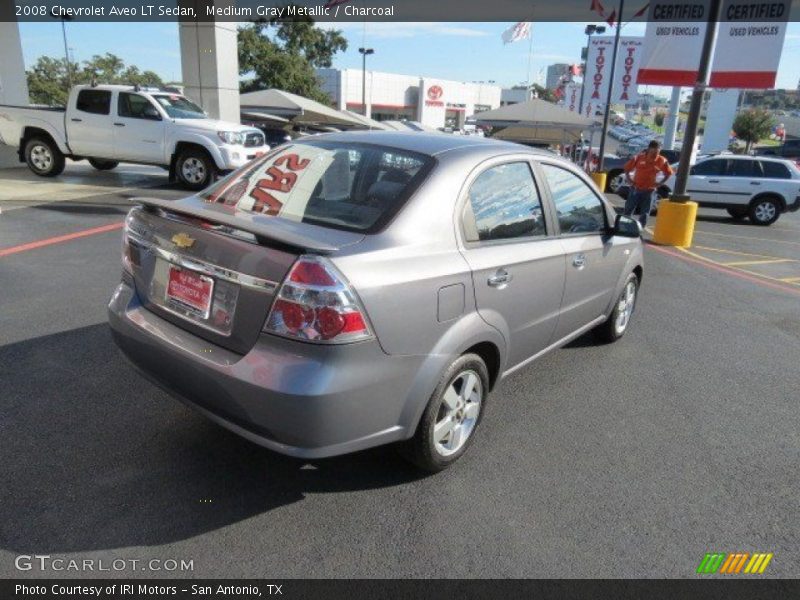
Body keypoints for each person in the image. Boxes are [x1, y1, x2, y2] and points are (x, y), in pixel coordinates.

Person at [623, 140, 674, 228]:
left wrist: (660, 183)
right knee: (628, 209)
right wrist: (629, 180)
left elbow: (669, 173)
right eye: (655, 151)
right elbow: (627, 168)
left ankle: (640, 228)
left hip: (649, 191)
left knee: (645, 212)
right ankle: (624, 226)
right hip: (635, 188)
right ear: (649, 149)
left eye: (658, 151)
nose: (656, 153)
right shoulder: (638, 158)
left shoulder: (662, 160)